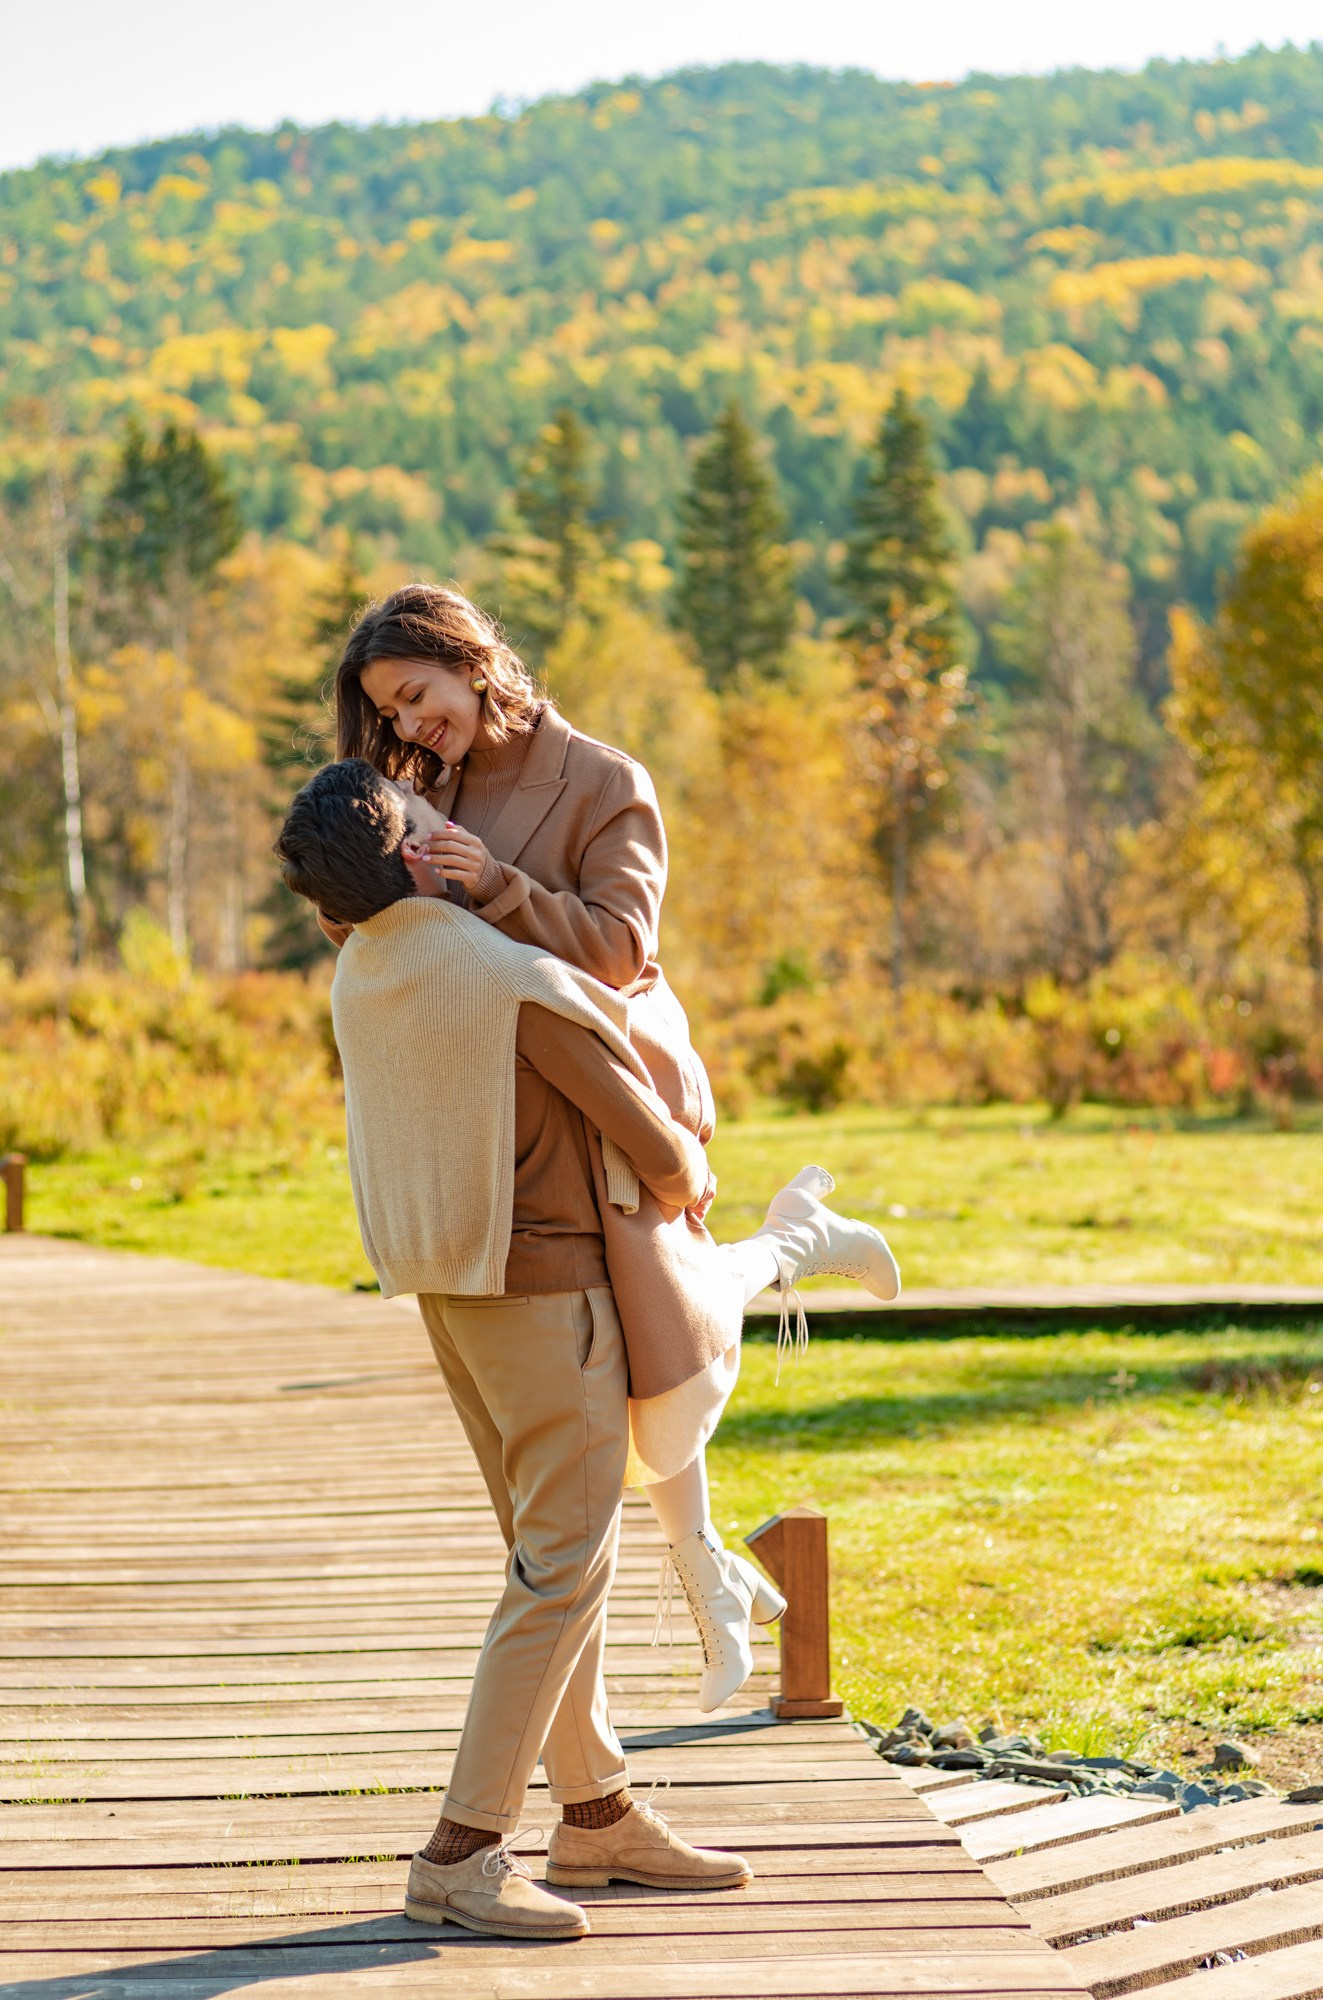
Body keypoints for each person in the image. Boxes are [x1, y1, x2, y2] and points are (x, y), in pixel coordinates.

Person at [275, 757, 899, 1942]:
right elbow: (661, 1152)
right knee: (560, 1570)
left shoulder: (364, 968)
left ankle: (600, 1812)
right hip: (550, 1293)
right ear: (413, 854)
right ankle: (460, 1852)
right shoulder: (507, 977)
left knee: (550, 1563)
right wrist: (698, 1175)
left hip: (449, 1297)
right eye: (427, 822)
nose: (447, 825)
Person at [330, 582, 900, 1705]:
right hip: (501, 1132)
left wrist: (490, 881)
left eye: (414, 696)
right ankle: (709, 1575)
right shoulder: (421, 784)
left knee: (663, 1357)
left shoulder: (605, 781)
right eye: (388, 715)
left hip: (611, 1089)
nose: (405, 727)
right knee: (638, 1376)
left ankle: (795, 1242)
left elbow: (621, 949)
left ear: (470, 658)